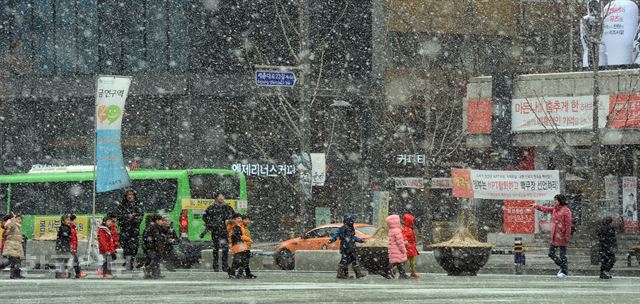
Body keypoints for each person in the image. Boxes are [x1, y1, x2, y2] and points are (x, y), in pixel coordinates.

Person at [531, 194, 572, 278]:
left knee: (562, 255)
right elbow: (545, 209)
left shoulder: (566, 210)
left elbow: (568, 225)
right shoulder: (554, 209)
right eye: (554, 200)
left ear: (560, 200)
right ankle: (563, 267)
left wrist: (567, 236)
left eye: (556, 200)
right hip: (554, 235)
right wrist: (536, 206)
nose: (554, 201)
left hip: (562, 236)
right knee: (551, 253)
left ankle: (564, 272)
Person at [200, 192, 234, 272]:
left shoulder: (227, 207)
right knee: (216, 248)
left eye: (223, 196)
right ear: (216, 198)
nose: (222, 198)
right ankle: (215, 266)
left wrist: (229, 221)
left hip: (224, 230)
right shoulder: (211, 208)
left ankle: (224, 266)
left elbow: (233, 215)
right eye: (220, 196)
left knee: (225, 248)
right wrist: (211, 224)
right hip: (215, 231)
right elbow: (205, 217)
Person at [329, 214, 366, 279]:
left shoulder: (343, 228)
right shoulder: (348, 228)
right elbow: (352, 238)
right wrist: (361, 240)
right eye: (352, 220)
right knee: (348, 260)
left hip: (345, 247)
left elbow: (337, 235)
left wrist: (332, 239)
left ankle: (347, 274)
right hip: (349, 247)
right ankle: (344, 274)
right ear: (349, 221)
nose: (353, 222)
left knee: (347, 260)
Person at [115, 189, 143, 270]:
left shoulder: (138, 205)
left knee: (134, 247)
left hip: (134, 229)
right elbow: (119, 217)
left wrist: (134, 218)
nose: (130, 196)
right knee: (126, 246)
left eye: (131, 194)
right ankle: (128, 262)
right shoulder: (122, 206)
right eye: (128, 195)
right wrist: (127, 217)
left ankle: (130, 261)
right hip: (124, 229)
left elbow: (140, 217)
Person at [227, 213, 251, 279]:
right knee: (239, 260)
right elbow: (239, 236)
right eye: (238, 218)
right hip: (237, 244)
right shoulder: (235, 226)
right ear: (234, 219)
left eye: (240, 218)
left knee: (241, 260)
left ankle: (234, 273)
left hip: (240, 244)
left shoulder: (238, 226)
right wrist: (248, 239)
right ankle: (233, 272)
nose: (240, 219)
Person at [387, 214, 409, 279]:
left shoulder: (391, 230)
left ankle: (402, 274)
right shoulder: (397, 231)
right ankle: (386, 271)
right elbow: (400, 242)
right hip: (397, 249)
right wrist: (404, 250)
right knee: (397, 262)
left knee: (396, 262)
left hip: (393, 249)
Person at [143, 214, 165, 279]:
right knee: (155, 260)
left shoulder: (154, 227)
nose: (162, 222)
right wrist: (156, 247)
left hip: (151, 248)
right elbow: (155, 239)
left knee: (154, 260)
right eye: (161, 220)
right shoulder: (154, 228)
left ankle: (154, 273)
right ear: (157, 221)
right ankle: (152, 272)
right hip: (152, 248)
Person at [3, 214, 24, 279]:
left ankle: (15, 274)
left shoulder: (18, 227)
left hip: (16, 246)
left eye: (20, 219)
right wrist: (12, 218)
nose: (20, 220)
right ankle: (14, 274)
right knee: (15, 261)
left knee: (15, 261)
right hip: (12, 246)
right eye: (18, 219)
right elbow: (8, 225)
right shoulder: (13, 225)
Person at [97, 214, 119, 279]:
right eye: (108, 221)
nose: (110, 223)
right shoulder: (102, 230)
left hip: (109, 248)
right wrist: (107, 249)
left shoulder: (108, 229)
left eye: (110, 221)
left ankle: (105, 272)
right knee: (108, 260)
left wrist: (113, 248)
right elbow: (103, 241)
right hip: (105, 249)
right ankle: (106, 272)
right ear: (105, 222)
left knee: (109, 260)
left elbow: (111, 240)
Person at [402, 213, 420, 279]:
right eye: (411, 221)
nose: (412, 222)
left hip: (411, 246)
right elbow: (404, 235)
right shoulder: (407, 229)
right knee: (405, 260)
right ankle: (395, 269)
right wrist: (406, 240)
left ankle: (412, 272)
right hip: (409, 247)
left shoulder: (409, 228)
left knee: (410, 260)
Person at [54, 214, 73, 278]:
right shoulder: (63, 228)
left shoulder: (66, 227)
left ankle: (61, 273)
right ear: (63, 221)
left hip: (62, 247)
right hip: (63, 247)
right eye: (67, 220)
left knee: (62, 260)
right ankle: (62, 273)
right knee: (65, 260)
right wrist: (69, 236)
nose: (69, 221)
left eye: (69, 220)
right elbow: (66, 236)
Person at [240, 215, 256, 279]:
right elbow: (242, 236)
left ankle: (247, 273)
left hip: (246, 247)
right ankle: (240, 273)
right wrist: (249, 240)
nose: (248, 221)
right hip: (243, 247)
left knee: (245, 261)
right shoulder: (241, 227)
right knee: (244, 261)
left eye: (248, 220)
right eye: (246, 220)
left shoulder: (245, 228)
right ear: (242, 220)